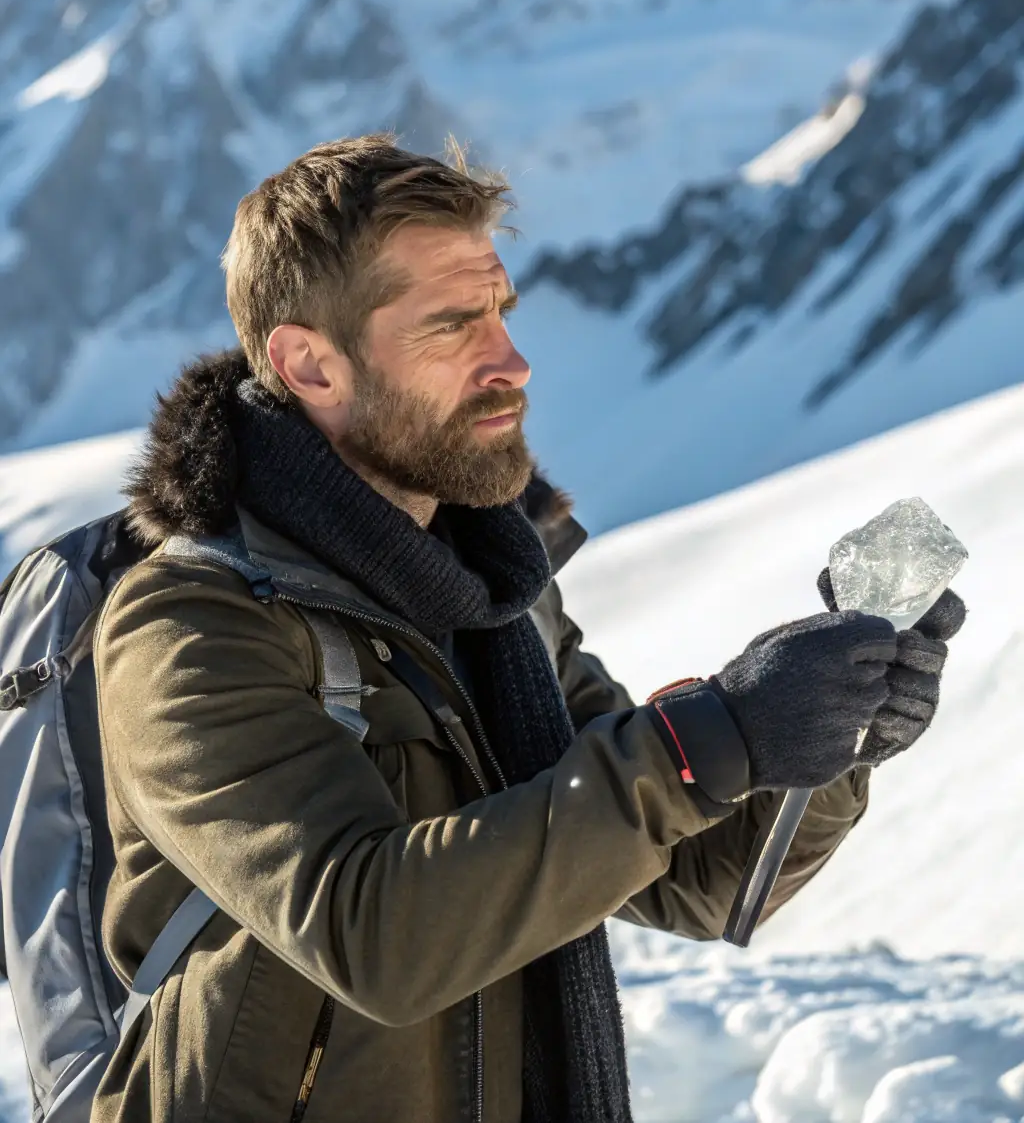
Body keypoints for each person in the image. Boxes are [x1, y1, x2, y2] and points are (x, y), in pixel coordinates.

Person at [92, 133, 965, 1123]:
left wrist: (828, 737)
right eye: (452, 326)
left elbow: (697, 880)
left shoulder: (492, 593)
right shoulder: (193, 626)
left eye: (499, 311)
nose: (510, 360)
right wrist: (708, 741)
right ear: (310, 365)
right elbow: (373, 935)